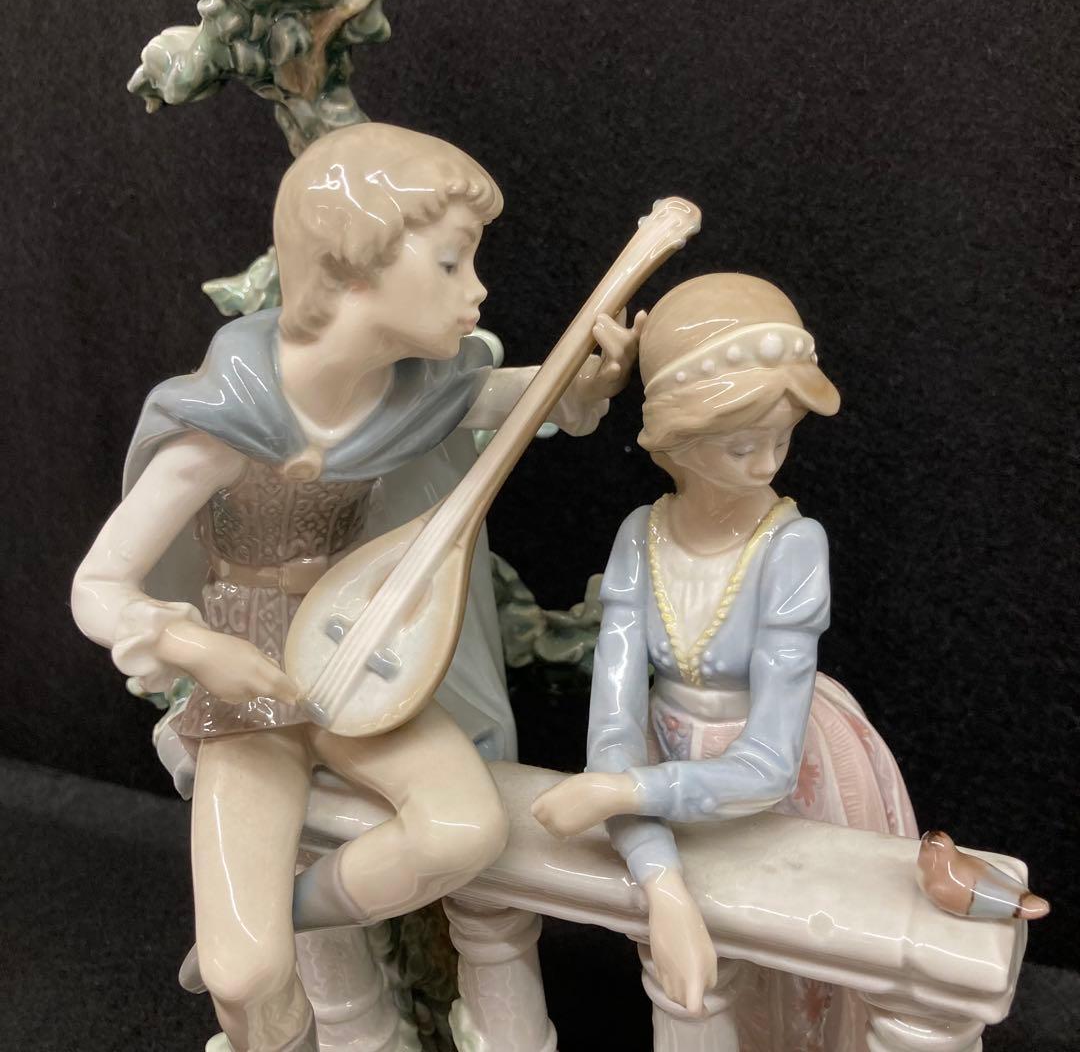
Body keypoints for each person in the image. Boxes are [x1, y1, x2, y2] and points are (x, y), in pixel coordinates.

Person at [72, 122, 638, 1052]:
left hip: (361, 660)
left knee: (462, 829)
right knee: (242, 983)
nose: (477, 290)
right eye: (451, 263)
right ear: (354, 267)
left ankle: (279, 915)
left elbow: (533, 399)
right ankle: (253, 967)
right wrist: (193, 645)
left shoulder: (413, 392)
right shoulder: (226, 421)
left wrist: (589, 387)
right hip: (251, 684)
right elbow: (98, 584)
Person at [532, 272, 917, 1051]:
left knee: (801, 989)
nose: (766, 464)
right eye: (741, 445)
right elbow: (613, 731)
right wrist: (663, 883)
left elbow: (769, 764)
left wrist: (624, 792)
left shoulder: (793, 547)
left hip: (786, 782)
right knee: (703, 990)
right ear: (676, 440)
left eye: (782, 438)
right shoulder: (640, 535)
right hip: (668, 760)